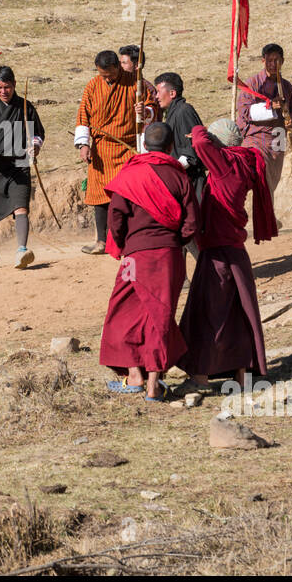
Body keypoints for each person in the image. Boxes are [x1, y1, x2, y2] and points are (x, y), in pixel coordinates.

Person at [99, 122, 199, 401]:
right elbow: (191, 223)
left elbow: (115, 218)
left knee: (123, 313)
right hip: (168, 257)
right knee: (161, 317)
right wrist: (174, 242)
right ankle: (153, 384)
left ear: (145, 145)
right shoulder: (179, 177)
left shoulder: (129, 174)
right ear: (170, 148)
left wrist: (124, 243)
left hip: (134, 257)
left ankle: (134, 375)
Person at [177, 118, 277, 394]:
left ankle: (199, 378)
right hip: (234, 251)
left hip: (218, 252)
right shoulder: (243, 162)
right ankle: (241, 374)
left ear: (218, 144)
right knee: (236, 315)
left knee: (206, 315)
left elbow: (199, 142)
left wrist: (198, 130)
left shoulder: (225, 166)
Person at [75, 49, 157, 255]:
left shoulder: (134, 83)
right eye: (103, 74)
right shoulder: (93, 85)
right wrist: (84, 145)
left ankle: (126, 240)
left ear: (118, 67)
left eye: (110, 74)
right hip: (101, 149)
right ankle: (102, 241)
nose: (106, 78)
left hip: (126, 149)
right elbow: (83, 116)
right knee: (99, 197)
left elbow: (152, 107)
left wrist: (145, 111)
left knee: (125, 196)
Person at [0, 65, 45, 271]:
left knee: (21, 207)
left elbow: (37, 133)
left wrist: (35, 145)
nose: (4, 91)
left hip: (18, 165)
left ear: (14, 85)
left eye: (8, 87)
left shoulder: (25, 107)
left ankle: (22, 250)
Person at [235, 42, 292, 204]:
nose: (273, 64)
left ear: (282, 61)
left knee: (274, 177)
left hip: (278, 139)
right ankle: (268, 217)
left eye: (276, 60)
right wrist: (270, 106)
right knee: (263, 176)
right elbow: (244, 112)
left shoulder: (286, 86)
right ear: (262, 61)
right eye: (269, 60)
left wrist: (291, 119)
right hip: (256, 138)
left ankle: (268, 214)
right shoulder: (252, 84)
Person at [154, 71, 206, 208]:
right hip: (181, 182)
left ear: (172, 93)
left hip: (192, 183)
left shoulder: (184, 111)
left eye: (159, 92)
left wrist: (170, 170)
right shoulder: (173, 113)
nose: (156, 96)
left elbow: (192, 152)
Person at [118, 43, 158, 143]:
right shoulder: (118, 85)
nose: (120, 66)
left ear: (136, 65)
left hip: (140, 140)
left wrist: (145, 112)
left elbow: (155, 116)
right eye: (120, 63)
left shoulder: (147, 88)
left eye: (124, 63)